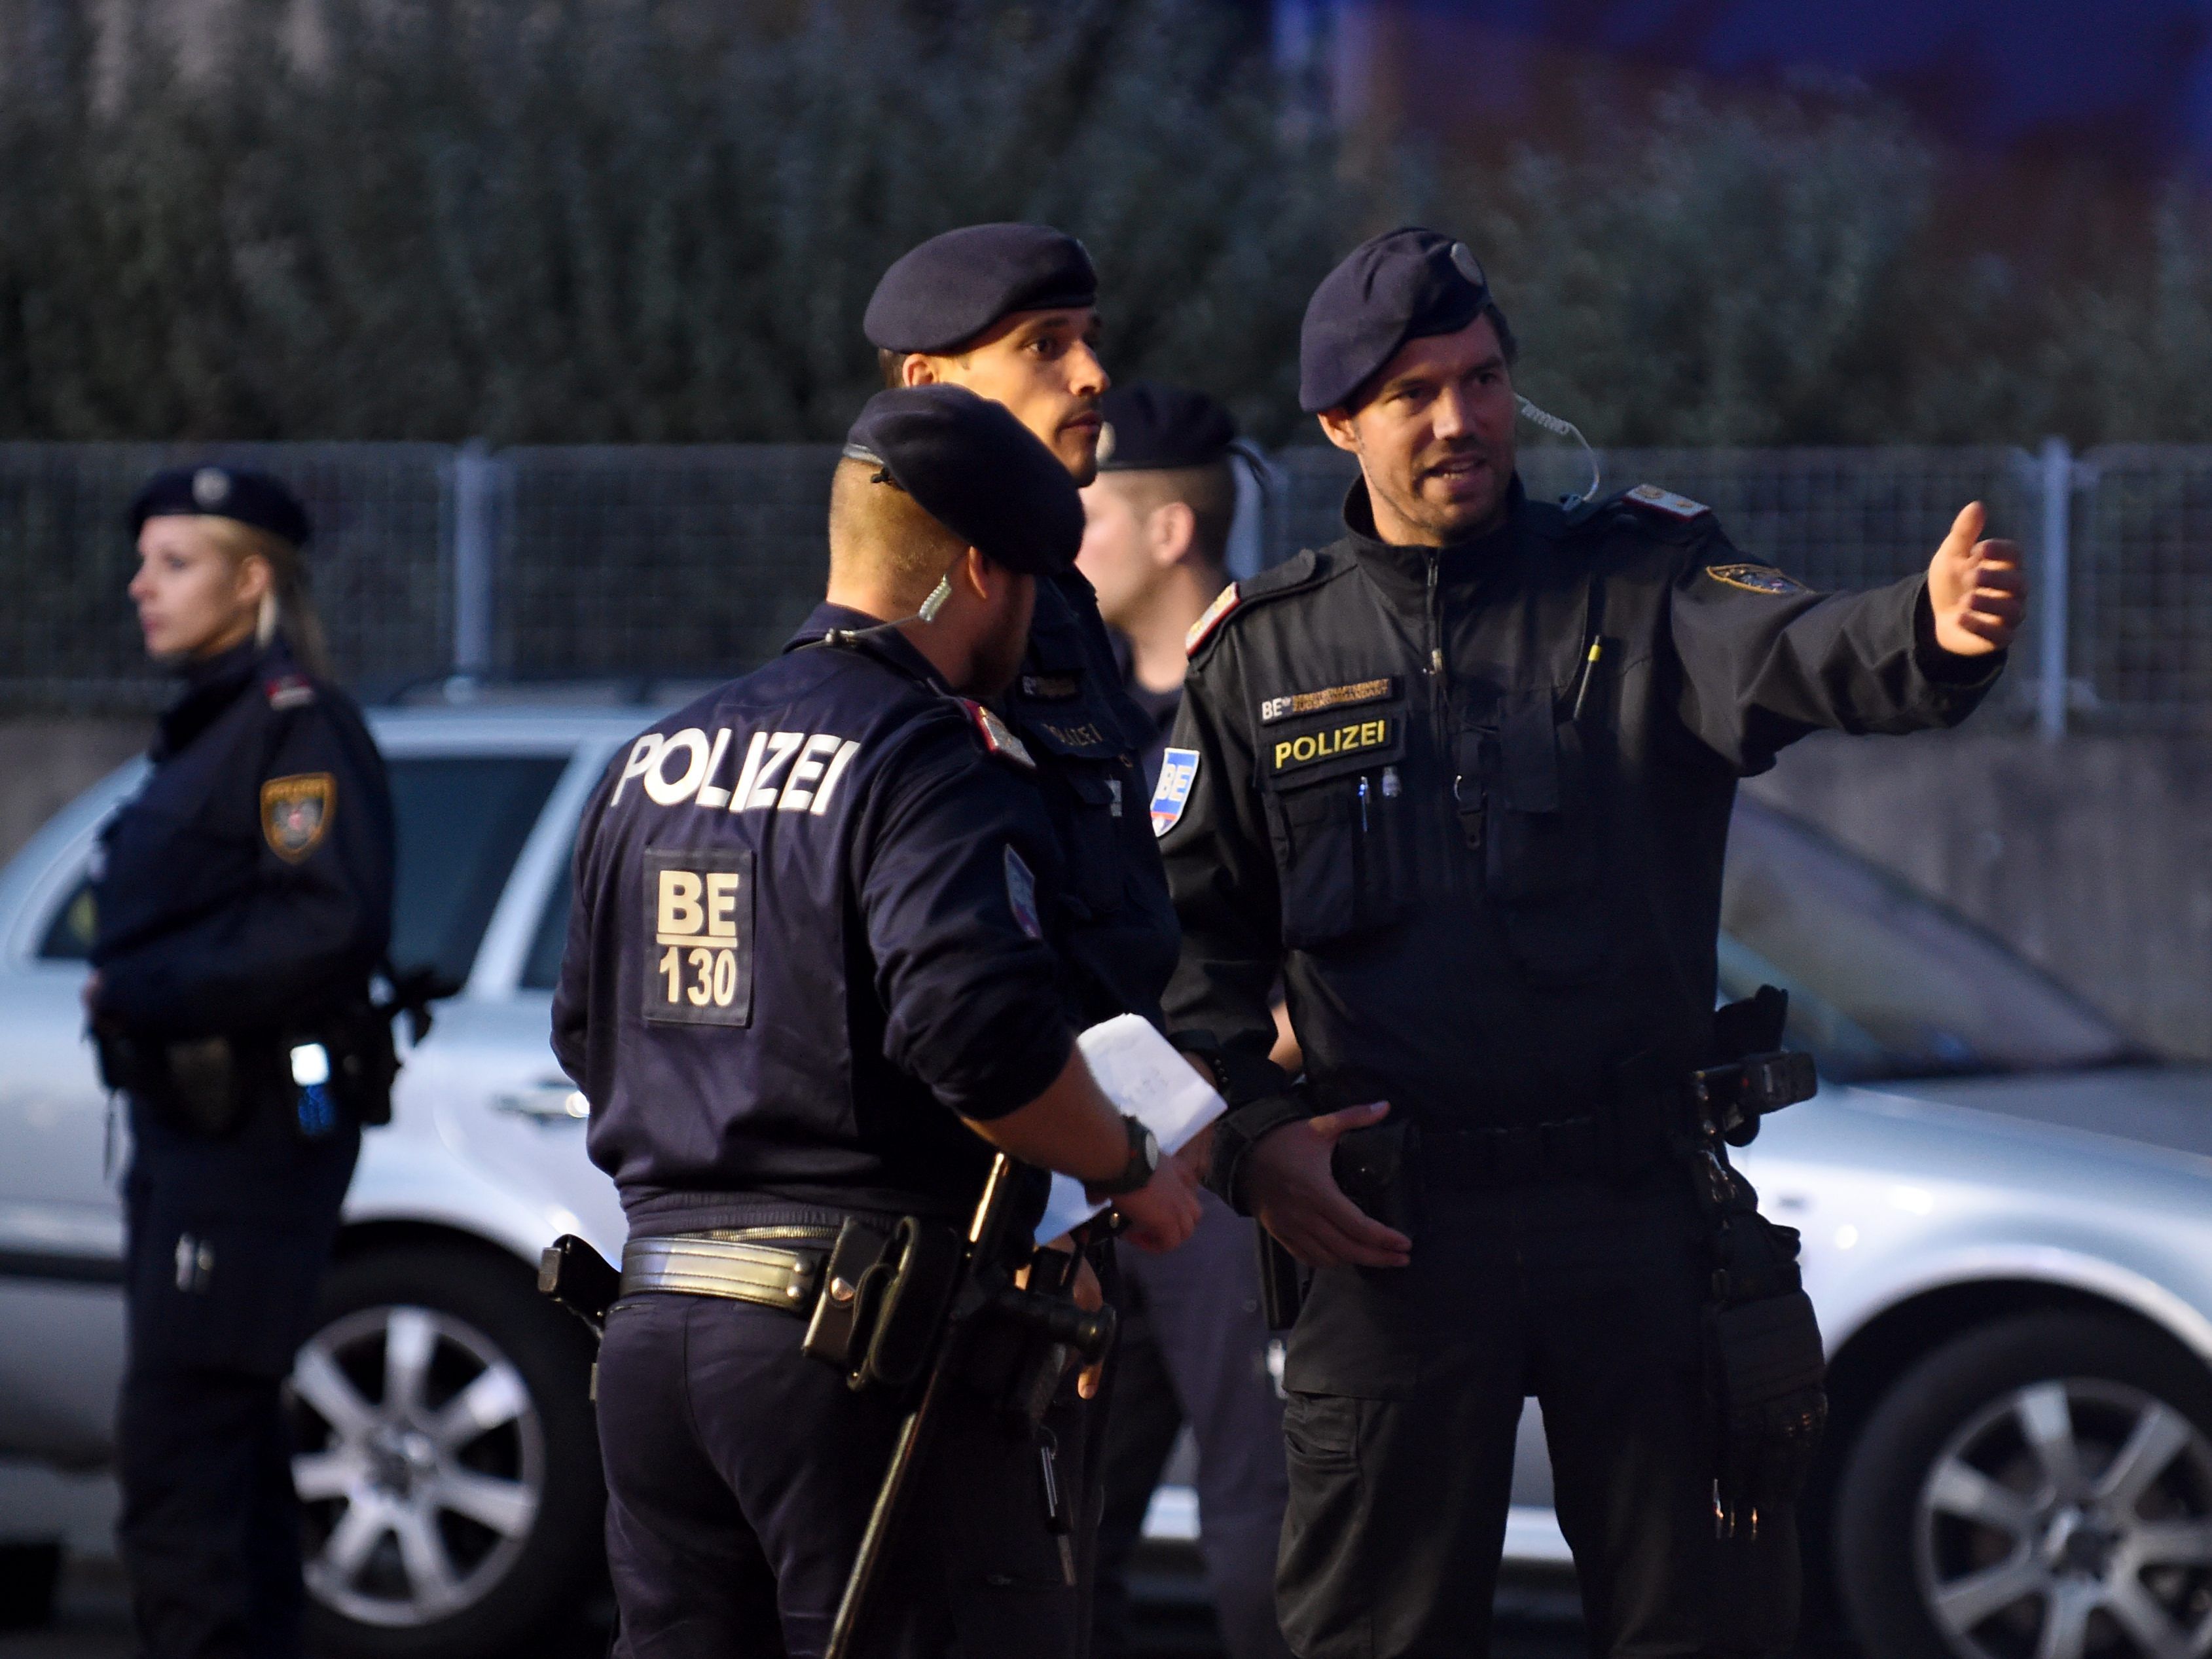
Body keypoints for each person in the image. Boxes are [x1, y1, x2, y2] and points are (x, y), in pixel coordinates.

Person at [1157, 228, 2028, 1659]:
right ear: (1338, 425)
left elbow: (1794, 648)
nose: (1462, 418)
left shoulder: (1642, 581)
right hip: (1388, 1239)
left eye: (1484, 378)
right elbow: (1185, 961)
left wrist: (1925, 635)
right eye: (1415, 393)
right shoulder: (1262, 656)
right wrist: (1256, 1144)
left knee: (1704, 1630)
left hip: (1636, 1214)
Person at [552, 384, 1203, 1659]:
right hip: (854, 1351)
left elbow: (587, 1032)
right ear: (980, 571)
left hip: (653, 1332)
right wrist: (1127, 1165)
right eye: (1029, 581)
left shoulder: (653, 759)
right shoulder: (930, 757)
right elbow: (978, 1036)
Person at [863, 223, 1189, 1634]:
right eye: (1044, 347)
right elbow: (951, 994)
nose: (1091, 374)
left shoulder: (1053, 606)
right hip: (944, 1244)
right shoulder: (922, 623)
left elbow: (1099, 922)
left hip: (1051, 1227)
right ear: (931, 385)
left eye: (1089, 338)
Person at [86, 465, 396, 1659]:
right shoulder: (212, 727)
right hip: (185, 1135)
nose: (141, 585)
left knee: (180, 1456)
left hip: (250, 1135)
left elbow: (326, 920)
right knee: (226, 1455)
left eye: (176, 562)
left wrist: (144, 987)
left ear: (252, 577)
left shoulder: (293, 722)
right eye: (143, 560)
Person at [1075, 381, 1292, 1659]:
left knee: (1257, 1521)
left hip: (1220, 1168)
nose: (1067, 541)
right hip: (1089, 1166)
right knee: (1066, 1520)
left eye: (1091, 513)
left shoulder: (1280, 690)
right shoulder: (1078, 704)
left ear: (1169, 531)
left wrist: (1215, 1083)